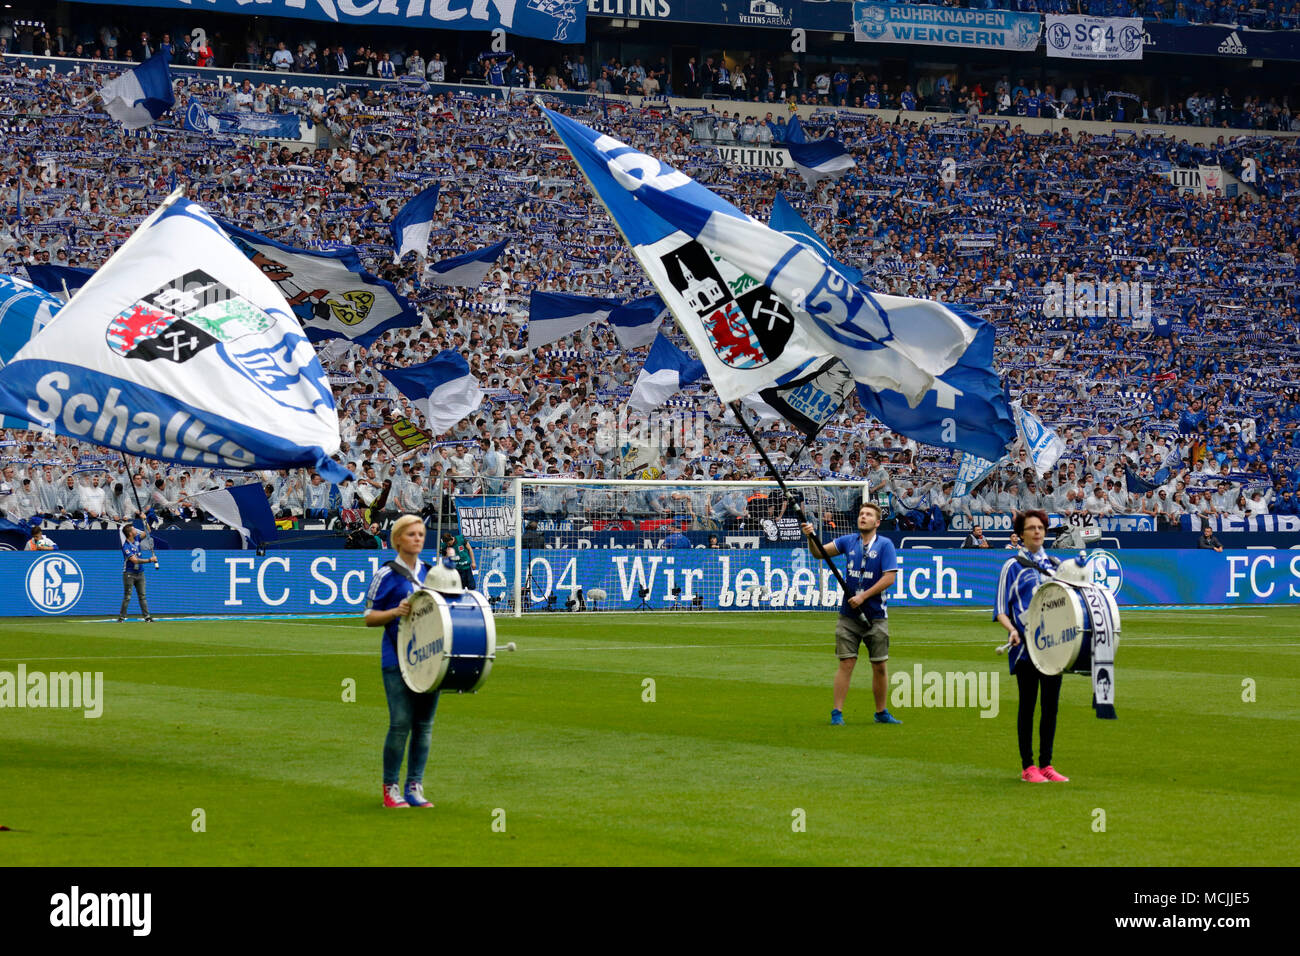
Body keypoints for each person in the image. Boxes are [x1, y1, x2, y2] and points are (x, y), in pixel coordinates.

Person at [800, 502, 902, 726]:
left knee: (880, 665)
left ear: (877, 522)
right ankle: (837, 712)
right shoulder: (848, 541)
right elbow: (819, 553)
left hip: (875, 615)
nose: (863, 517)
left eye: (868, 515)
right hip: (849, 615)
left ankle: (881, 712)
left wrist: (863, 597)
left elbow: (889, 578)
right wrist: (811, 537)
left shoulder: (885, 545)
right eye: (861, 514)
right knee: (846, 662)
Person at [364, 514, 438, 809]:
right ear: (397, 539)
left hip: (430, 658)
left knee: (424, 725)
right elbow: (369, 617)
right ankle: (390, 787)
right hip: (396, 658)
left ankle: (414, 785)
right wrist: (395, 612)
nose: (418, 538)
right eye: (411, 534)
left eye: (420, 534)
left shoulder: (432, 573)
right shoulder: (387, 574)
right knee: (400, 723)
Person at [994, 510, 1068, 783]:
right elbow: (1001, 608)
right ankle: (1028, 766)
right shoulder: (1012, 565)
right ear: (1021, 534)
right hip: (1025, 648)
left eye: (1041, 527)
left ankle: (1047, 764)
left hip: (1054, 647)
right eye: (1031, 528)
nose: (1037, 531)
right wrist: (1012, 630)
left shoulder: (1056, 564)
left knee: (1051, 707)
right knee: (1028, 705)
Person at [118, 525, 157, 622]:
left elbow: (148, 531)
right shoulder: (126, 546)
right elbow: (134, 560)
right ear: (130, 533)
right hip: (129, 574)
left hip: (140, 573)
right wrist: (150, 560)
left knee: (142, 596)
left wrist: (144, 519)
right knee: (127, 596)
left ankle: (147, 617)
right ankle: (122, 617)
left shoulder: (137, 539)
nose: (136, 530)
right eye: (134, 529)